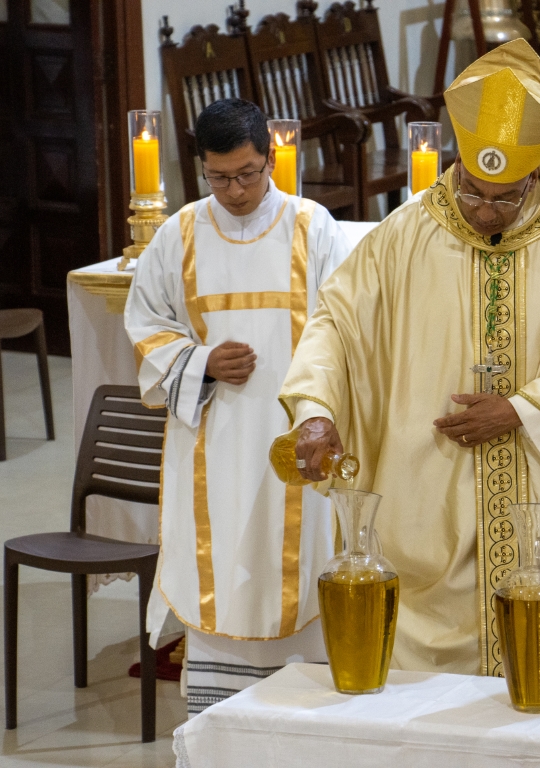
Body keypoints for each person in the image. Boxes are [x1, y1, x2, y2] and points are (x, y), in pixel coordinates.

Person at [280, 39, 540, 686]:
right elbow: (335, 323)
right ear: (455, 165)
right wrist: (315, 409)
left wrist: (521, 409)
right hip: (424, 491)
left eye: (505, 199)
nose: (484, 212)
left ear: (536, 175)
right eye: (473, 193)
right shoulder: (406, 233)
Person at [124, 98, 352, 715]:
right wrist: (201, 362)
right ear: (201, 166)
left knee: (301, 563)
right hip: (214, 438)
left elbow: (347, 325)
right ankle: (220, 722)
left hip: (297, 434)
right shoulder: (179, 234)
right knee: (220, 563)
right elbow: (145, 323)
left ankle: (305, 723)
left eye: (247, 174)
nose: (235, 191)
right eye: (219, 177)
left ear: (270, 158)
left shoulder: (313, 227)